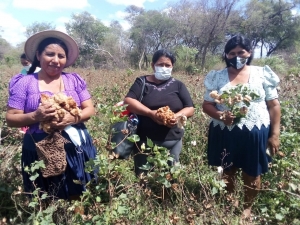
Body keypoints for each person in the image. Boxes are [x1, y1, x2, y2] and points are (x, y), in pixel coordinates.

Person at [6, 30, 97, 204]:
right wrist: (35, 115)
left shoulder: (74, 80)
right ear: (38, 55)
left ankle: (76, 219)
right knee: (44, 194)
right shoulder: (24, 83)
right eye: (50, 54)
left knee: (77, 191)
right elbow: (11, 118)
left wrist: (72, 119)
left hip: (76, 146)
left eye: (61, 56)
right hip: (39, 148)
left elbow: (89, 109)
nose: (56, 60)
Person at [202, 35, 281, 220]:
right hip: (224, 132)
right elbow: (206, 105)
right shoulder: (217, 77)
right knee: (227, 170)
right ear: (226, 55)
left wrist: (275, 134)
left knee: (252, 172)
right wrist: (221, 115)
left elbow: (274, 105)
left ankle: (247, 207)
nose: (236, 56)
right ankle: (230, 201)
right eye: (232, 53)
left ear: (249, 53)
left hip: (255, 133)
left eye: (241, 52)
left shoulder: (262, 73)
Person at [124, 49, 195, 176]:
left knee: (170, 177)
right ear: (153, 65)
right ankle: (145, 195)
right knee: (143, 176)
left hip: (172, 141)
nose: (164, 68)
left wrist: (175, 116)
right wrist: (150, 113)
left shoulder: (178, 85)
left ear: (172, 66)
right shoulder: (142, 82)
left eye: (167, 65)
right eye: (160, 64)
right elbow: (128, 100)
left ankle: (167, 195)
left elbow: (190, 108)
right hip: (144, 141)